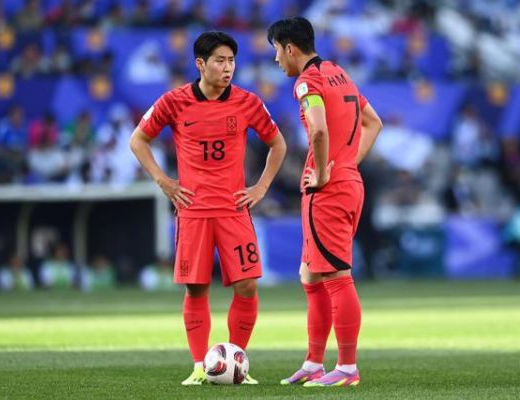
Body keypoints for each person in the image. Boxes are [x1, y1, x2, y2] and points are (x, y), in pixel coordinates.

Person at [130, 31, 286, 385]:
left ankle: (236, 363)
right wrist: (163, 181)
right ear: (200, 64)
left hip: (233, 210)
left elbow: (278, 143)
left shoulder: (248, 102)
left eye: (231, 61)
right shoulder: (174, 101)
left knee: (247, 286)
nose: (227, 68)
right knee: (196, 288)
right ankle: (200, 366)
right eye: (219, 61)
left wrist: (261, 187)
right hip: (193, 211)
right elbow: (138, 139)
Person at [267, 17, 383, 387]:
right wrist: (347, 162)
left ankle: (347, 368)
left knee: (337, 277)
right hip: (346, 181)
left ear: (290, 48)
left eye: (276, 51)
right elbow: (373, 123)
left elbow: (318, 129)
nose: (276, 60)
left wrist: (321, 172)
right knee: (310, 274)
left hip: (328, 190)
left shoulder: (308, 81)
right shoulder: (339, 73)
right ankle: (314, 362)